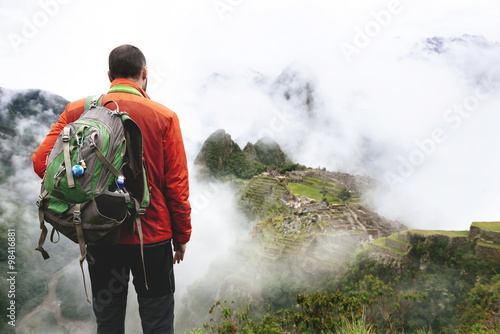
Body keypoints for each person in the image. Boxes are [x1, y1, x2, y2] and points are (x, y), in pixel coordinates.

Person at [32, 44, 192, 334]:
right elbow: (176, 188)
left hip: (100, 231)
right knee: (157, 322)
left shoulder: (77, 110)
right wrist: (182, 236)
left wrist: (83, 185)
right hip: (152, 238)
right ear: (144, 73)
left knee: (108, 321)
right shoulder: (165, 117)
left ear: (109, 75)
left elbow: (42, 163)